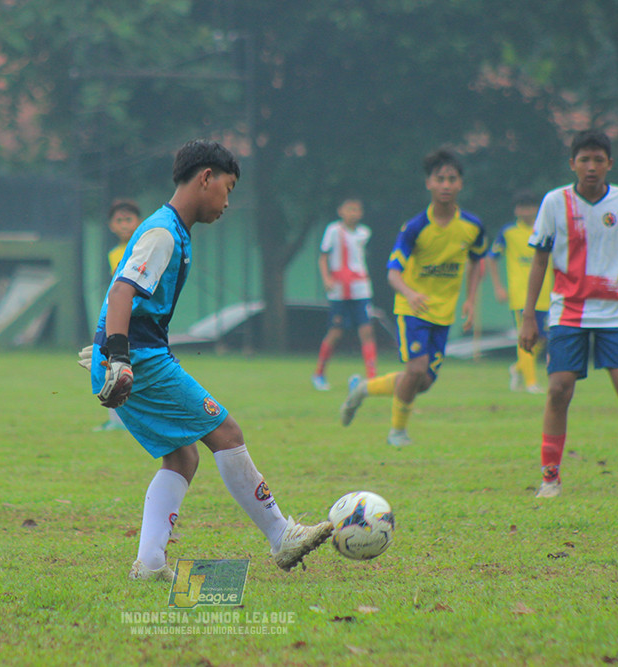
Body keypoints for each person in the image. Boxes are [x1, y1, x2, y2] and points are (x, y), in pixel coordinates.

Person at [79, 140, 332, 580]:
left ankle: (151, 564)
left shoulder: (174, 231)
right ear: (205, 179)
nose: (228, 202)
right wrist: (117, 356)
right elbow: (122, 291)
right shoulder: (162, 233)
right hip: (140, 359)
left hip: (136, 354)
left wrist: (107, 349)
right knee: (226, 431)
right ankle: (281, 536)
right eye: (228, 188)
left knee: (182, 459)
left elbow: (125, 295)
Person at [519, 129, 618, 498]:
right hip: (568, 310)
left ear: (609, 163)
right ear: (572, 164)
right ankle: (550, 476)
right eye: (584, 160)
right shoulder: (554, 202)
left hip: (615, 311)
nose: (591, 167)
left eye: (599, 160)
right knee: (558, 390)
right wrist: (529, 315)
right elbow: (540, 259)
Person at [340, 148, 488, 447]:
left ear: (460, 184)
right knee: (416, 370)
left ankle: (363, 389)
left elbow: (477, 261)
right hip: (412, 309)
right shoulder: (415, 228)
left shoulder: (472, 226)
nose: (446, 185)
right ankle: (397, 432)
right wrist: (411, 292)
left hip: (443, 314)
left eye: (452, 179)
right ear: (428, 184)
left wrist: (470, 300)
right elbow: (393, 273)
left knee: (422, 382)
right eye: (440, 179)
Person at [485, 190, 553, 394]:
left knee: (542, 337)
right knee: (527, 335)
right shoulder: (508, 232)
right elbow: (492, 257)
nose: (525, 211)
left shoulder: (546, 230)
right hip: (521, 294)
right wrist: (498, 286)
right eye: (521, 207)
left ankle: (517, 369)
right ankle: (531, 382)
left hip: (546, 293)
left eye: (529, 206)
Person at [312, 197, 378, 391]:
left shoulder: (364, 233)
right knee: (335, 331)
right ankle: (319, 374)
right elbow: (323, 257)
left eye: (357, 210)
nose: (353, 213)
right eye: (349, 209)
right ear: (340, 211)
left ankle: (372, 378)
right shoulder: (333, 230)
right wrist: (327, 279)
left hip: (361, 289)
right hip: (339, 291)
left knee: (366, 330)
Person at [94, 199, 142, 431]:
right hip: (118, 317)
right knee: (111, 366)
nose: (124, 225)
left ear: (139, 222)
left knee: (126, 366)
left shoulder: (141, 249)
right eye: (119, 220)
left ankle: (126, 420)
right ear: (111, 225)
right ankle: (117, 421)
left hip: (136, 319)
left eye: (128, 219)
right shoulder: (115, 253)